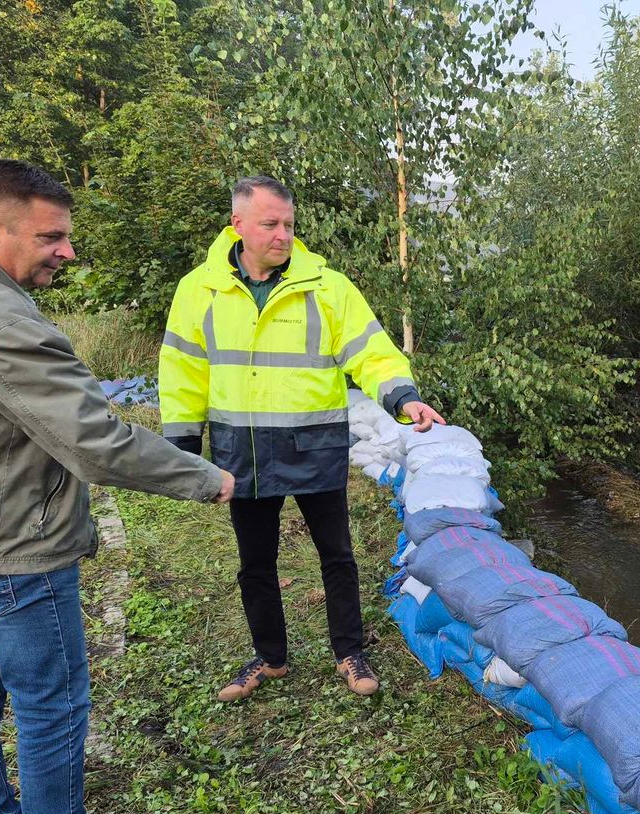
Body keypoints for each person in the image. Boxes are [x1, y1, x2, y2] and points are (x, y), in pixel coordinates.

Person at [0, 159, 235, 814]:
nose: (67, 251)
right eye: (53, 236)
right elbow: (94, 440)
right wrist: (205, 478)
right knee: (50, 702)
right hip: (10, 548)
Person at [159, 176, 443, 703]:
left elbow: (372, 352)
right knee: (255, 561)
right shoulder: (199, 290)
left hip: (314, 446)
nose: (283, 235)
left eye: (289, 224)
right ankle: (270, 658)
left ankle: (350, 652)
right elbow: (183, 369)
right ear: (238, 226)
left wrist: (402, 397)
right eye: (270, 224)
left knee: (336, 555)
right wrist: (182, 444)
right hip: (243, 451)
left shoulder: (328, 288)